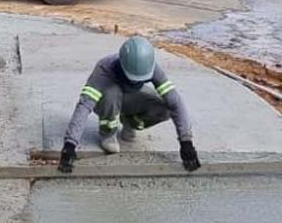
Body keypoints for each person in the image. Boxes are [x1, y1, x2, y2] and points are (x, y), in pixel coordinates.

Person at [58, 36, 201, 173]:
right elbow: (85, 105)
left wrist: (186, 141)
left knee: (165, 108)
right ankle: (108, 134)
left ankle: (129, 123)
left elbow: (175, 102)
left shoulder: (150, 66)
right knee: (111, 94)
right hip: (107, 101)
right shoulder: (104, 68)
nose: (136, 81)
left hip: (129, 97)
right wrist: (70, 144)